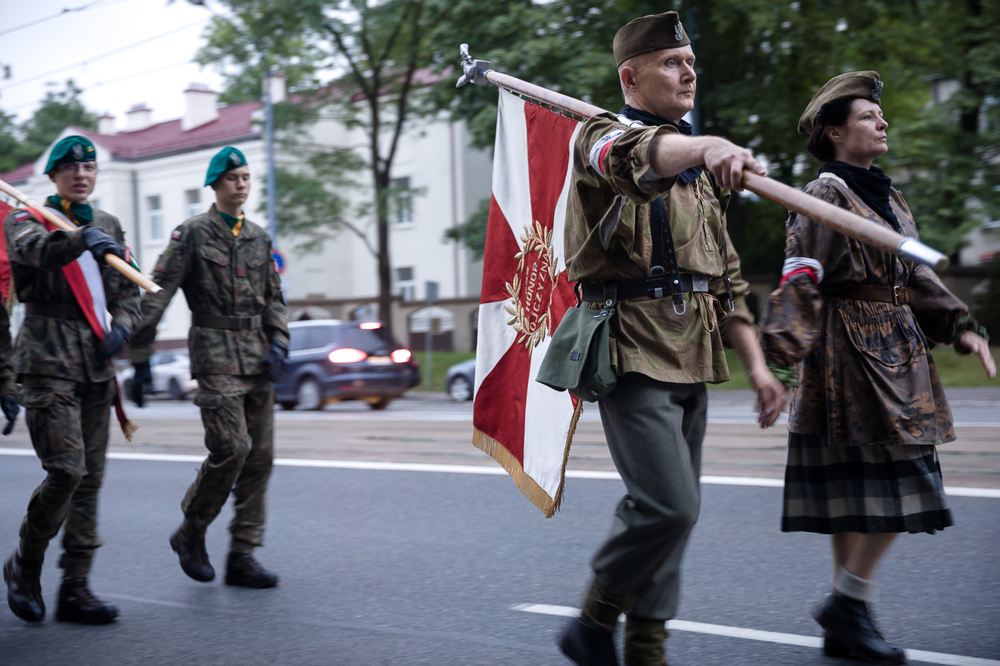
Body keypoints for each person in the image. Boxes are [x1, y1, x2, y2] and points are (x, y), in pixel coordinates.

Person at [559, 12, 787, 666]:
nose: (688, 72)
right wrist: (708, 145)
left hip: (693, 351)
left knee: (676, 516)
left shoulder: (702, 174)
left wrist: (758, 367)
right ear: (630, 77)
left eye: (691, 62)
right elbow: (637, 159)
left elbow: (727, 282)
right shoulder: (598, 137)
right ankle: (593, 620)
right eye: (671, 63)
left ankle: (647, 649)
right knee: (669, 506)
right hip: (629, 347)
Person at [758, 72, 995, 665]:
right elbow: (801, 275)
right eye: (868, 116)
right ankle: (849, 604)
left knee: (857, 498)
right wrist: (780, 363)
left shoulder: (890, 196)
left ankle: (848, 619)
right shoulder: (825, 193)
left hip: (898, 347)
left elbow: (916, 274)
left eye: (879, 114)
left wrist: (960, 327)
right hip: (849, 357)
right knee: (902, 485)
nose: (882, 121)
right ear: (835, 132)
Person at [130, 146, 289, 589]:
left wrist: (279, 340)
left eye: (246, 177)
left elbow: (275, 297)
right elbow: (158, 291)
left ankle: (243, 553)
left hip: (257, 358)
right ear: (215, 184)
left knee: (260, 458)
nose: (241, 184)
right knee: (232, 449)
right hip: (215, 357)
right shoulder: (193, 234)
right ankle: (192, 530)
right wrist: (140, 358)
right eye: (233, 178)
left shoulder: (258, 237)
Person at [3, 135, 139, 625]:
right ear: (53, 175)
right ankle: (25, 564)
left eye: (90, 167)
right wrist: (80, 238)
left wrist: (122, 326)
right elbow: (36, 253)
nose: (82, 174)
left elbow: (127, 288)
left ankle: (76, 586)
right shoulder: (26, 217)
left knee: (90, 481)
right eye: (71, 168)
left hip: (95, 366)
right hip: (47, 363)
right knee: (66, 471)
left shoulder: (109, 224)